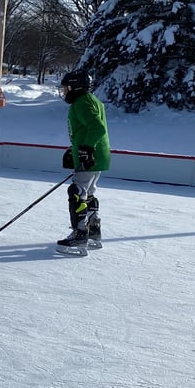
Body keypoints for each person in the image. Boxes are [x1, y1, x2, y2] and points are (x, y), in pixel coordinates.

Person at [56, 69, 111, 253]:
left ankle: (80, 233)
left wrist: (86, 148)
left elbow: (97, 128)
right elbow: (86, 129)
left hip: (91, 155)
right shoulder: (92, 100)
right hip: (98, 156)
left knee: (77, 192)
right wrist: (75, 148)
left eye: (67, 88)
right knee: (88, 192)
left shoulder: (81, 103)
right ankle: (93, 230)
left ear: (76, 87)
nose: (65, 91)